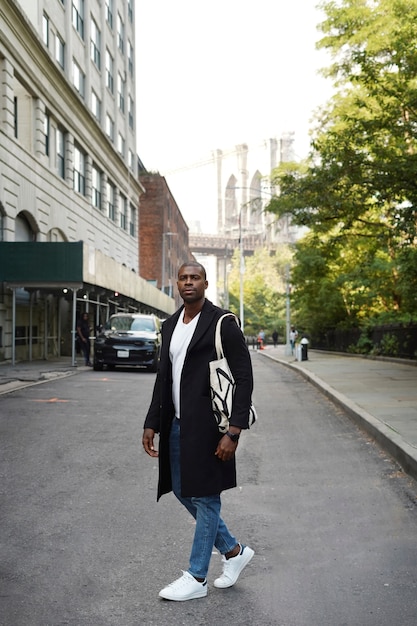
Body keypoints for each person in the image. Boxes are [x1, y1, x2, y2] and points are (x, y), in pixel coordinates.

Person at [142, 261, 255, 602]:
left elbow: (244, 377)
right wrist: (151, 421)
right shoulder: (171, 324)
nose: (189, 282)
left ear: (206, 283)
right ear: (176, 283)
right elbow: (164, 378)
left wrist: (234, 432)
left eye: (195, 277)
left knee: (206, 498)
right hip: (176, 425)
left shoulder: (223, 323)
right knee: (181, 489)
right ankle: (234, 551)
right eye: (183, 277)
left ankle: (197, 576)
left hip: (211, 428)